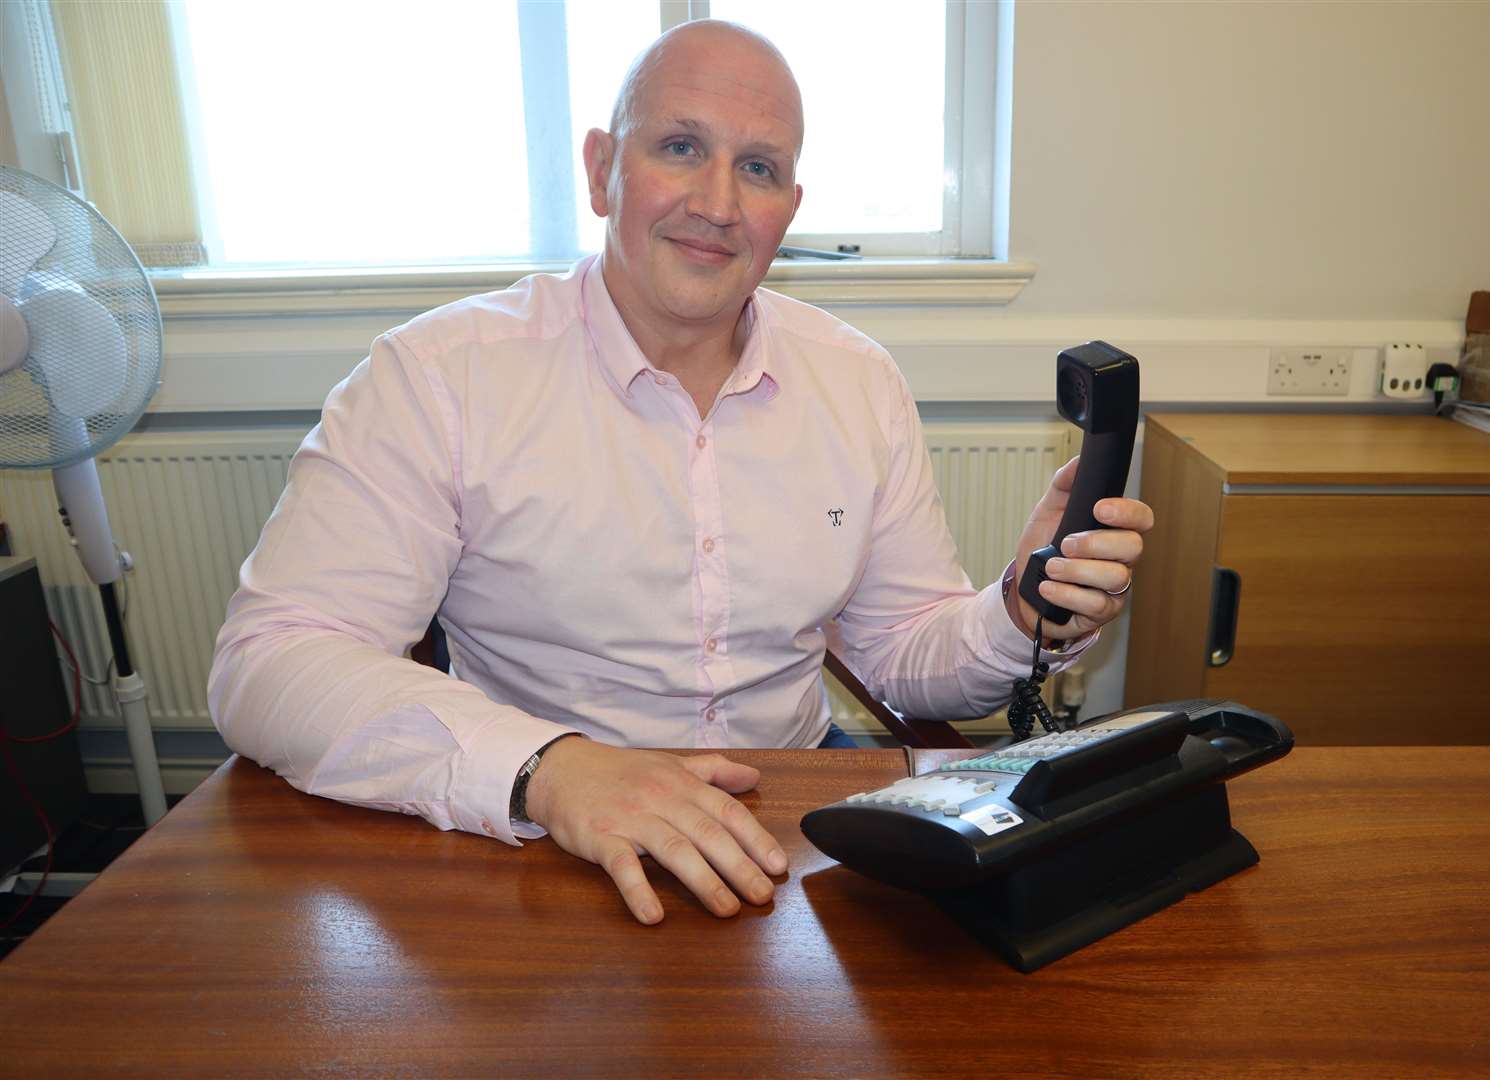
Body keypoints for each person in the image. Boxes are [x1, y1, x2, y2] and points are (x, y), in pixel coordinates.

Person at [208, 20, 1154, 927]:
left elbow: (902, 651)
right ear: (599, 170)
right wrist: (551, 767)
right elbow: (271, 660)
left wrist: (1017, 614)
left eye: (758, 168)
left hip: (789, 823)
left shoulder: (857, 380)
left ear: (789, 205)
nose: (717, 203)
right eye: (678, 147)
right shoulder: (437, 376)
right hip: (541, 835)